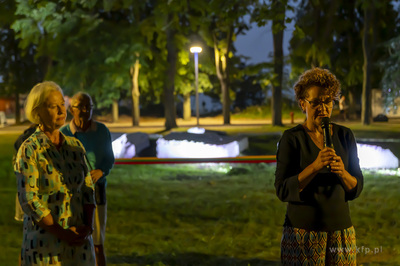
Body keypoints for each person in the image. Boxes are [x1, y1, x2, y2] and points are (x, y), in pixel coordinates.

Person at [274, 68, 363, 265]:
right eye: (315, 103)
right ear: (303, 104)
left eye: (328, 101)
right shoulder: (292, 139)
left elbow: (356, 187)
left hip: (341, 233)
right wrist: (315, 166)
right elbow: (282, 190)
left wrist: (342, 172)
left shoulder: (345, 136)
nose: (323, 108)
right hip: (302, 235)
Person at [14, 81, 96, 265]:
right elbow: (29, 200)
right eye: (53, 106)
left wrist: (88, 227)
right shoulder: (30, 150)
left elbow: (88, 189)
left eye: (62, 104)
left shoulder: (75, 146)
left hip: (79, 245)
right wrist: (63, 233)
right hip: (45, 248)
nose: (62, 111)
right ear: (38, 112)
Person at [61, 92, 114, 266]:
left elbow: (109, 158)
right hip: (72, 195)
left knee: (98, 243)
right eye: (81, 107)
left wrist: (102, 171)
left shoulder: (102, 131)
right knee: (73, 241)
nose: (85, 111)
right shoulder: (63, 134)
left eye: (89, 107)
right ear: (71, 109)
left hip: (97, 191)